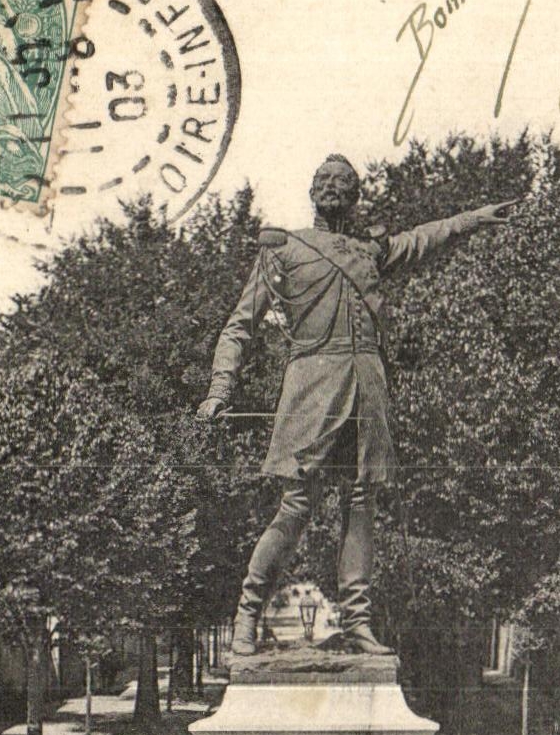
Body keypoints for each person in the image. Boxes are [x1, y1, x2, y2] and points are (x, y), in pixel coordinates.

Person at [197, 153, 516, 655]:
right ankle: (247, 614)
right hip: (311, 384)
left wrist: (472, 220)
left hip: (367, 384)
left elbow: (425, 239)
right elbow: (241, 324)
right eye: (323, 180)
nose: (332, 187)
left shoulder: (371, 250)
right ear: (311, 190)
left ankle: (358, 621)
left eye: (342, 182)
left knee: (361, 502)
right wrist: (220, 387)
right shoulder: (284, 248)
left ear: (355, 194)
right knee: (297, 505)